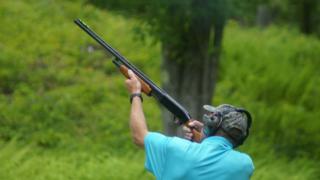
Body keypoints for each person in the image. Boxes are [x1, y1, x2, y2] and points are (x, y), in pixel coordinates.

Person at [125, 70, 254, 180]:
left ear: (212, 125)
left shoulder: (175, 148)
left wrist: (135, 93)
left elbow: (139, 136)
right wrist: (203, 139)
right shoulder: (245, 165)